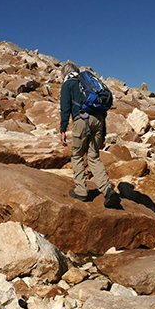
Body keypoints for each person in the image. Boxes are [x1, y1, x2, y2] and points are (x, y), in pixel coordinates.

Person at [59, 61, 117, 207]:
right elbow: (103, 111)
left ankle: (81, 191)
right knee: (94, 157)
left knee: (77, 155)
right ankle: (107, 190)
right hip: (98, 121)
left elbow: (65, 108)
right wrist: (103, 132)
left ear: (65, 73)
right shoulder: (87, 84)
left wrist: (63, 130)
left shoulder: (68, 84)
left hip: (81, 121)